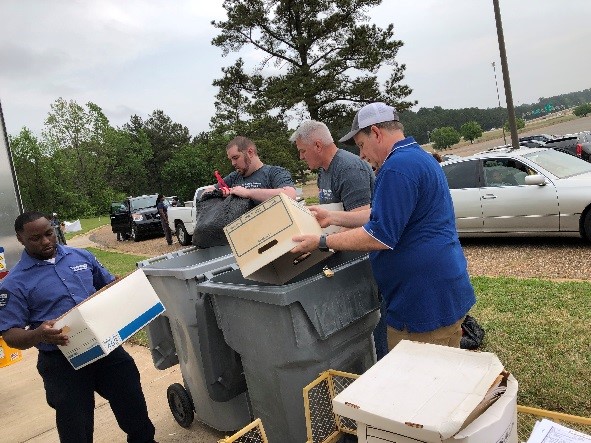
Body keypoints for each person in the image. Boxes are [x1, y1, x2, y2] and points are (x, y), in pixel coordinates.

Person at [292, 102, 476, 350]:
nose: (361, 155)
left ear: (376, 133)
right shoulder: (417, 157)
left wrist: (322, 242)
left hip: (423, 299)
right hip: (440, 288)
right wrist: (332, 217)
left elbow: (379, 235)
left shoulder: (396, 168)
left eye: (361, 145)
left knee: (420, 380)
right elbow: (381, 214)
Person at [0, 212, 156, 443]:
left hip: (106, 350)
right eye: (35, 238)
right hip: (61, 363)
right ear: (20, 239)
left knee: (132, 404)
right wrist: (38, 335)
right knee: (76, 428)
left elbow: (108, 286)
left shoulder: (81, 257)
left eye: (48, 233)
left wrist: (121, 287)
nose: (45, 241)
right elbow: (10, 335)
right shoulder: (13, 284)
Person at [289, 120, 388, 360]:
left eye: (303, 151)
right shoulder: (325, 173)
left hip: (364, 259)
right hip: (340, 252)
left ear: (318, 145)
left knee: (373, 323)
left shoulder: (348, 168)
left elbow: (363, 218)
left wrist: (321, 241)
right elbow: (331, 215)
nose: (301, 157)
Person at [208, 136, 297, 202]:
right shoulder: (234, 177)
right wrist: (219, 193)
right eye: (231, 159)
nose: (233, 163)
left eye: (235, 158)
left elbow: (290, 195)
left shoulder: (275, 172)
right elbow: (208, 191)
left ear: (250, 152)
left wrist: (248, 193)